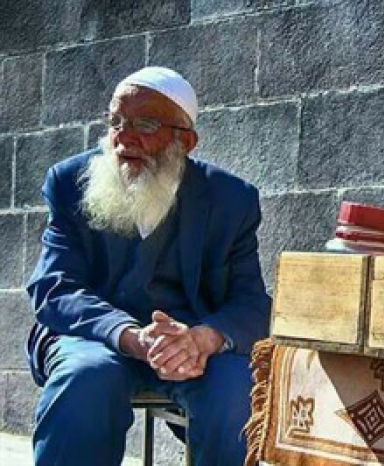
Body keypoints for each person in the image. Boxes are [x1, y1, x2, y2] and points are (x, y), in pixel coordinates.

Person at [25, 66, 271, 466]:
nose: (123, 137)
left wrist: (203, 339)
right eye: (116, 122)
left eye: (145, 124)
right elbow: (55, 286)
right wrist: (130, 336)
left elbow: (252, 303)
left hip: (189, 345)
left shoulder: (232, 200)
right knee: (84, 379)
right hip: (95, 338)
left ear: (185, 141)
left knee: (236, 392)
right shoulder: (70, 182)